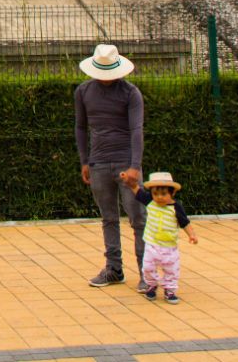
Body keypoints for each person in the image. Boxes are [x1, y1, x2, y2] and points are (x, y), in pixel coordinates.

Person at [74, 44, 147, 291]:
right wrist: (85, 160)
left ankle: (146, 273)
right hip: (99, 163)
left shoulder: (131, 93)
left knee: (138, 218)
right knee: (109, 218)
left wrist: (135, 165)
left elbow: (137, 129)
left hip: (125, 162)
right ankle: (114, 269)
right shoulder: (83, 92)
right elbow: (81, 127)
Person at [121, 171, 198, 304]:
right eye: (155, 194)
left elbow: (185, 222)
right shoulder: (150, 201)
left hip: (170, 247)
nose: (159, 197)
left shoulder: (176, 207)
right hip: (152, 244)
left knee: (171, 270)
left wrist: (192, 235)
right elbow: (137, 190)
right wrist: (129, 181)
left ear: (172, 193)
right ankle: (152, 285)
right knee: (147, 267)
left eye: (163, 194)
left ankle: (170, 290)